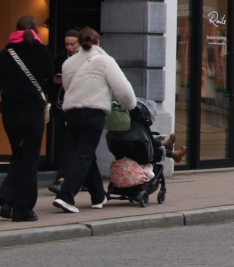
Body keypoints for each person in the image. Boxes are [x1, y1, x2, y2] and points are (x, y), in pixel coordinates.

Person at [55, 27, 136, 213]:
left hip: (72, 113)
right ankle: (65, 196)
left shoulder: (68, 63)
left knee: (86, 153)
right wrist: (129, 106)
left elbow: (68, 87)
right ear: (98, 42)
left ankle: (98, 196)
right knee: (83, 155)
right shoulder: (106, 61)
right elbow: (123, 90)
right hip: (94, 113)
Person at [0, 18, 54, 221]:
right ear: (36, 31)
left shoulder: (5, 55)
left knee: (18, 155)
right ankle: (23, 208)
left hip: (10, 114)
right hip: (33, 113)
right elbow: (49, 81)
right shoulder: (43, 53)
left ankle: (5, 198)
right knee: (29, 159)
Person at [46, 29, 82, 195]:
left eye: (72, 44)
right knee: (66, 143)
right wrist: (55, 80)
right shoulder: (61, 57)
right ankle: (65, 178)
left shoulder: (87, 58)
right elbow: (51, 78)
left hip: (81, 106)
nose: (69, 47)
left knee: (76, 145)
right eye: (66, 44)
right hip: (63, 105)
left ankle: (66, 178)